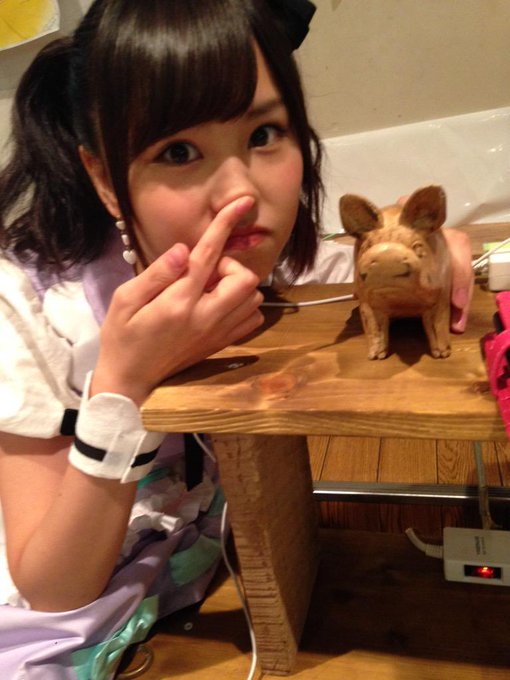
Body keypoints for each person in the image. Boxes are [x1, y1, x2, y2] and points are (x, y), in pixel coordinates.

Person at [0, 0, 473, 677]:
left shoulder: (266, 263)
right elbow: (52, 588)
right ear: (104, 178)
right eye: (179, 152)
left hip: (211, 584)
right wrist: (124, 386)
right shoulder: (29, 305)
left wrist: (441, 249)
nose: (240, 193)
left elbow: (362, 268)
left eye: (264, 134)